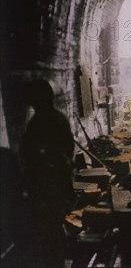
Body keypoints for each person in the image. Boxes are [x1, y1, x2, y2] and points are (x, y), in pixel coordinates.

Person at [21, 79, 75, 266]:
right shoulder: (60, 118)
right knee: (55, 225)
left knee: (49, 230)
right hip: (58, 183)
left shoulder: (40, 122)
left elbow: (33, 156)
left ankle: (56, 262)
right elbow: (68, 152)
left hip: (47, 186)